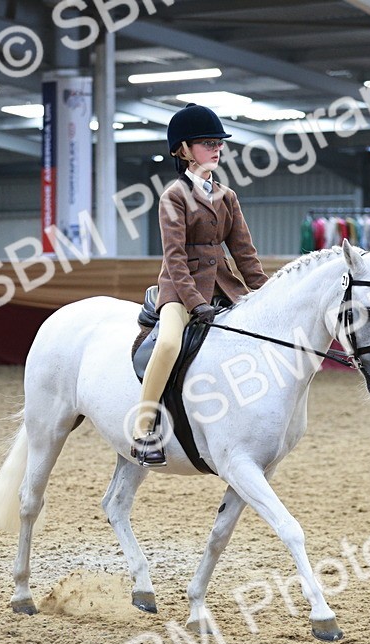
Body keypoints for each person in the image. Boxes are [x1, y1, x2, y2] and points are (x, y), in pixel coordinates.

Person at [131, 103, 269, 467]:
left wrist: (266, 293)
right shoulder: (173, 197)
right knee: (168, 345)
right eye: (207, 143)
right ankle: (145, 431)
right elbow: (174, 258)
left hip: (224, 285)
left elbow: (244, 252)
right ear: (183, 150)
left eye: (218, 143)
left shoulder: (228, 196)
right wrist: (195, 303)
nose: (216, 149)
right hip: (180, 290)